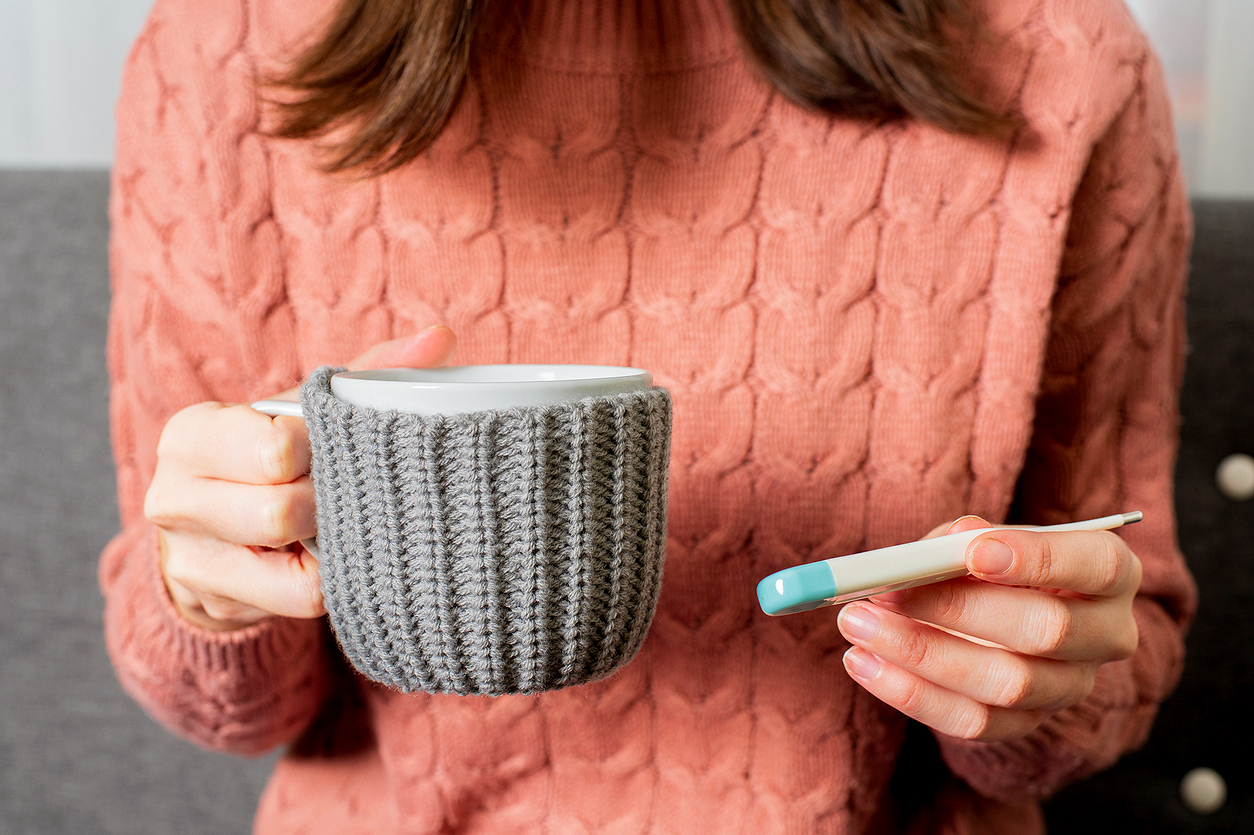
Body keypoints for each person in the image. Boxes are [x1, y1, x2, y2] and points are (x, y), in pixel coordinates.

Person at [100, 0, 1197, 831]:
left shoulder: (1056, 56)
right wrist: (204, 590)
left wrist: (1039, 679)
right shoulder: (227, 50)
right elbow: (232, 707)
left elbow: (1125, 617)